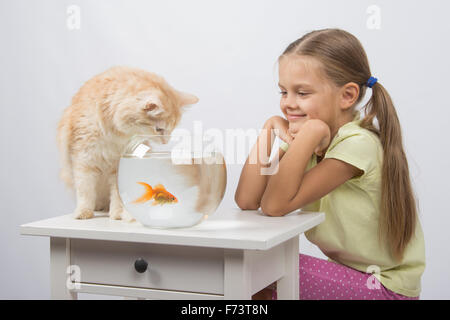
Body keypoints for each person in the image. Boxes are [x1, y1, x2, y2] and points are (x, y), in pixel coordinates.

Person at [234, 28, 425, 300]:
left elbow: (275, 205)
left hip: (384, 288)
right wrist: (268, 131)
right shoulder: (307, 140)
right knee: (252, 263)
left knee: (261, 264)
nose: (288, 104)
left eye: (302, 92)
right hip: (349, 277)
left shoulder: (357, 144)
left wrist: (310, 134)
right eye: (283, 92)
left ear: (347, 96)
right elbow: (247, 199)